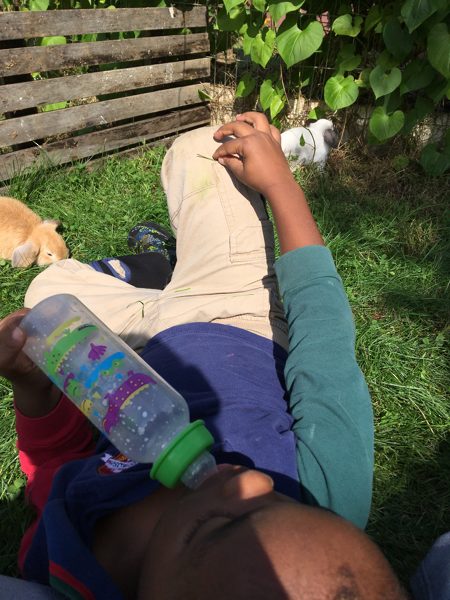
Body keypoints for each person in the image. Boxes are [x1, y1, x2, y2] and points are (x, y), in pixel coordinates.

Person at [0, 113, 409, 599]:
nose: (255, 484)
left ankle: (156, 268)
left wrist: (32, 388)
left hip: (141, 347)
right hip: (238, 312)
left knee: (47, 291)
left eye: (220, 524)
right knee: (203, 148)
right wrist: (279, 183)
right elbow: (324, 337)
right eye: (281, 501)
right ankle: (170, 264)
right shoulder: (329, 495)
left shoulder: (65, 557)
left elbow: (53, 466)